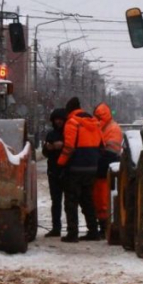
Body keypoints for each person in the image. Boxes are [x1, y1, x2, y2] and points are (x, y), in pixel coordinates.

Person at [57, 97, 103, 243]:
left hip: (75, 168)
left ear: (69, 110)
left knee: (71, 201)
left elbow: (69, 147)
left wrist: (60, 164)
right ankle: (93, 231)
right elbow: (102, 145)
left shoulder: (72, 122)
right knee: (87, 200)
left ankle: (72, 233)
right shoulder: (94, 122)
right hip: (91, 168)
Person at [92, 102, 123, 235]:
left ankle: (104, 225)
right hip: (104, 167)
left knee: (103, 199)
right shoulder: (108, 127)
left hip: (106, 167)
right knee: (100, 199)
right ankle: (103, 225)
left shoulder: (111, 128)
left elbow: (111, 150)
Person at [41, 108, 67, 237]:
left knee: (69, 202)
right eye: (56, 119)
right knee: (55, 201)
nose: (58, 122)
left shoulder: (69, 133)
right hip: (53, 171)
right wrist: (48, 147)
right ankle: (56, 228)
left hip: (67, 171)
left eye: (60, 119)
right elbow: (45, 153)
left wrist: (62, 145)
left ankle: (71, 229)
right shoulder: (51, 134)